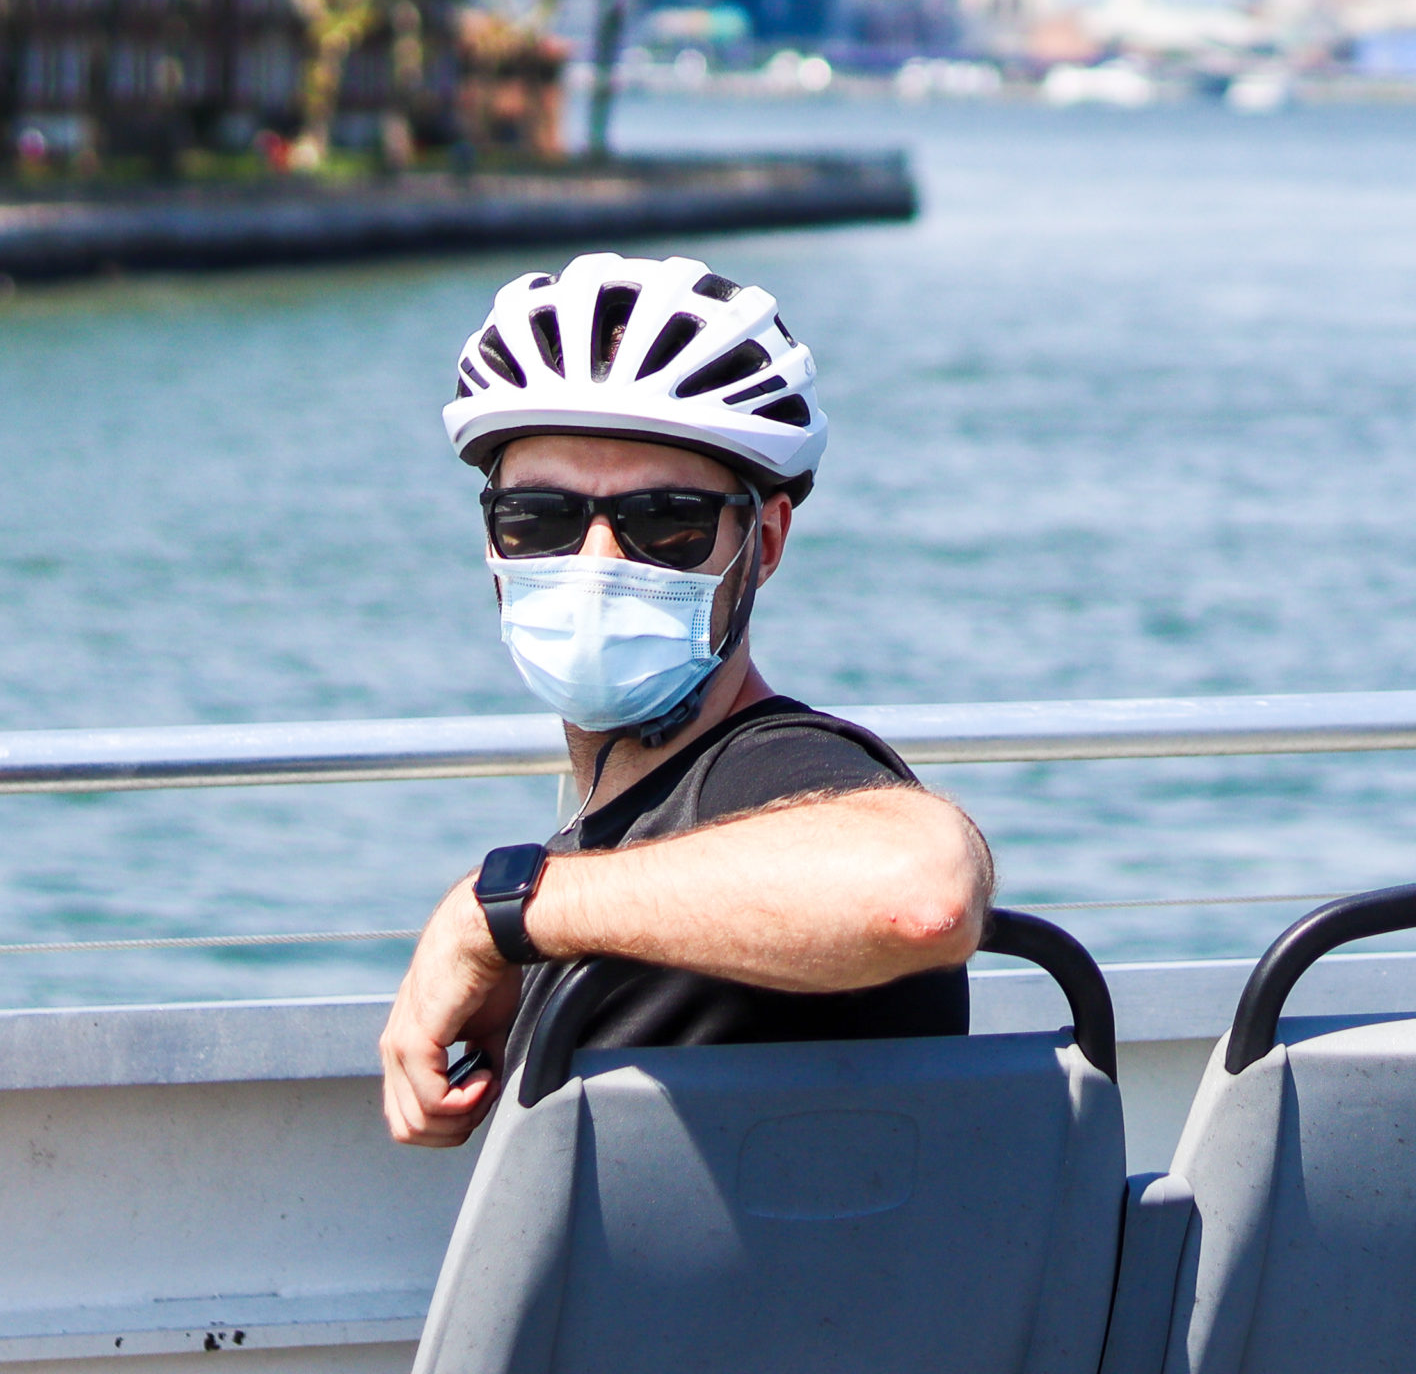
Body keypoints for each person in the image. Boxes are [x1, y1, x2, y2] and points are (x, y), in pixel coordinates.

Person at [379, 251, 991, 1150]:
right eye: (538, 520)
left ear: (765, 543)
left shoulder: (776, 774)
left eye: (666, 524)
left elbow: (918, 891)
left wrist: (494, 916)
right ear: (492, 540)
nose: (595, 564)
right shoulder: (622, 833)